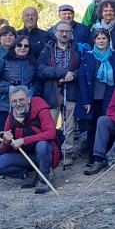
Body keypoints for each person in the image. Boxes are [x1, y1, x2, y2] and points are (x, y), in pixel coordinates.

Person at [0, 87, 61, 193]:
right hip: (25, 156)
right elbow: (3, 149)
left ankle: (43, 180)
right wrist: (7, 141)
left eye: (21, 100)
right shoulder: (11, 116)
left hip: (44, 153)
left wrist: (23, 140)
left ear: (28, 99)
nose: (18, 104)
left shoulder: (41, 109)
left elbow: (51, 133)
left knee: (42, 145)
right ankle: (28, 173)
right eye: (14, 101)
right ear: (10, 103)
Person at [76, 29, 115, 163]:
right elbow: (83, 80)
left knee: (108, 126)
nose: (101, 41)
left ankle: (106, 154)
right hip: (91, 98)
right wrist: (86, 101)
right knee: (92, 127)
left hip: (110, 97)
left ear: (108, 40)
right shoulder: (87, 57)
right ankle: (92, 157)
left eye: (104, 38)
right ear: (94, 41)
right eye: (98, 38)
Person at [37, 21, 81, 151]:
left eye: (67, 31)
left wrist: (72, 75)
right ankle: (50, 152)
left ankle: (68, 151)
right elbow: (41, 69)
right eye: (61, 31)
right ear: (55, 32)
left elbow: (83, 68)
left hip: (71, 91)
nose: (64, 34)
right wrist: (62, 73)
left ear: (71, 34)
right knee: (49, 126)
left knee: (70, 126)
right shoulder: (46, 50)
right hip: (52, 93)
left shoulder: (78, 49)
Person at [0, 35, 38, 142]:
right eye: (19, 45)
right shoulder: (3, 61)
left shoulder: (33, 63)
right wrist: (8, 89)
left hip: (26, 106)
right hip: (4, 105)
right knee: (1, 132)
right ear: (14, 46)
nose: (22, 48)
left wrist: (32, 91)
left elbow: (39, 82)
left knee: (22, 133)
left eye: (26, 46)